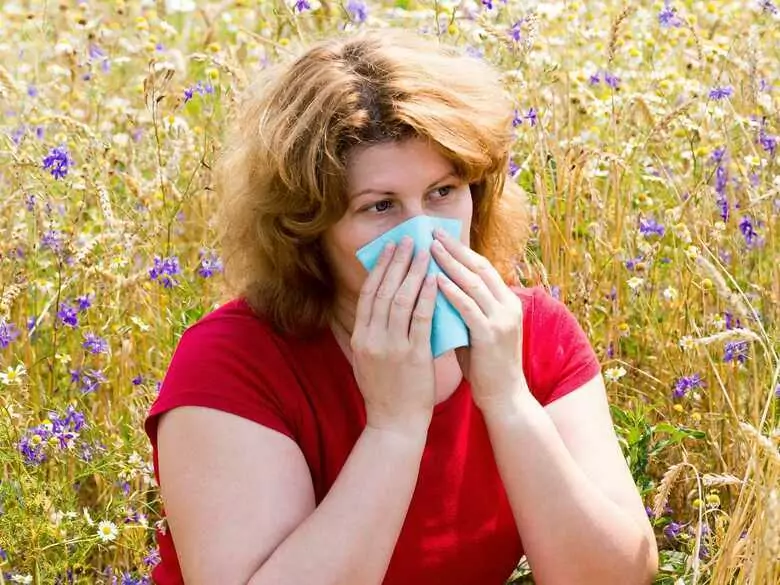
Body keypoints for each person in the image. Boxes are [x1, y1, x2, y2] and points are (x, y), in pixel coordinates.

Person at [143, 28, 658, 585]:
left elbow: (615, 576)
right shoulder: (233, 363)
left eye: (443, 192)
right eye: (381, 205)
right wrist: (393, 429)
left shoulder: (532, 333)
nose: (424, 234)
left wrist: (508, 401)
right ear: (308, 229)